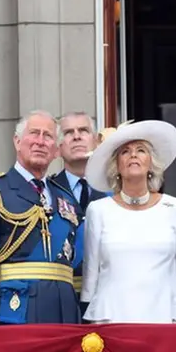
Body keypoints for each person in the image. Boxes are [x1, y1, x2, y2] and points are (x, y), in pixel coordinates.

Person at [0, 110, 82, 325]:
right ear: (17, 141)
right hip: (15, 313)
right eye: (34, 133)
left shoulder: (67, 199)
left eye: (48, 136)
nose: (40, 141)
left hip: (65, 316)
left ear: (56, 150)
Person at [80, 120, 176, 323]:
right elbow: (91, 275)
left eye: (141, 150)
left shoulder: (174, 207)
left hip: (164, 316)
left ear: (151, 162)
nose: (133, 155)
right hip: (112, 319)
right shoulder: (98, 210)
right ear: (116, 166)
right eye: (125, 151)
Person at [51, 111, 107, 302]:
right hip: (62, 297)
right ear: (58, 148)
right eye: (68, 132)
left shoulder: (114, 191)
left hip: (105, 297)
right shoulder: (47, 192)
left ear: (96, 141)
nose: (76, 136)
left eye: (83, 130)